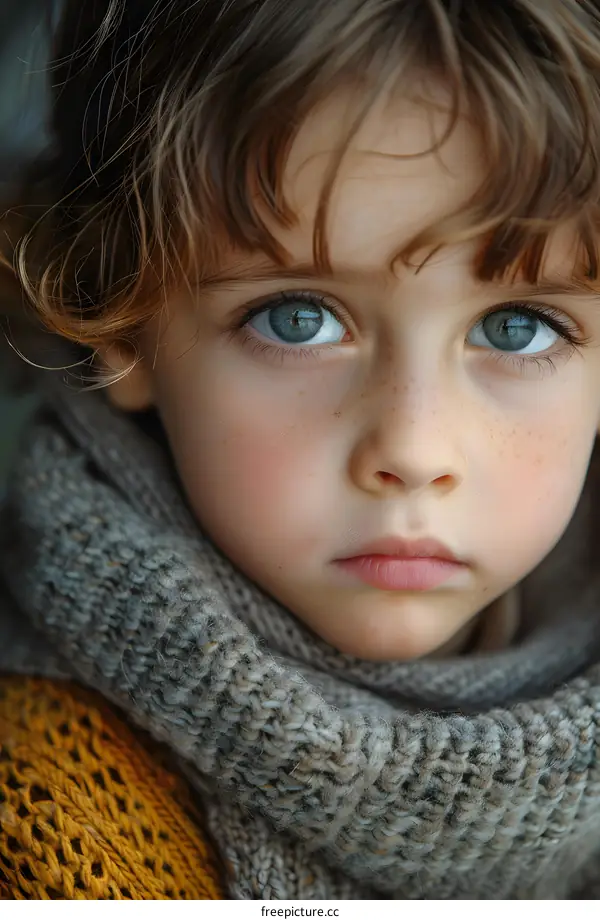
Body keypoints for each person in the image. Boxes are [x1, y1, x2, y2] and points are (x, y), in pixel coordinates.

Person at [1, 0, 600, 900]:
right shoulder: (52, 816)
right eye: (299, 318)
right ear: (122, 318)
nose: (412, 449)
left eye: (518, 327)